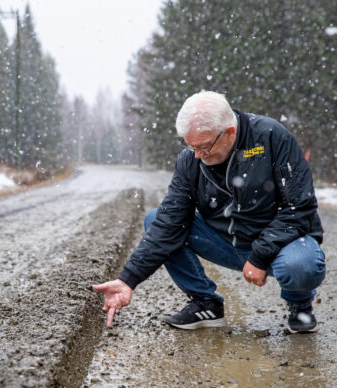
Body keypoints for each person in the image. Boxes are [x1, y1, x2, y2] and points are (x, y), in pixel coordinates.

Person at [93, 91, 325, 334]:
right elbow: (169, 221)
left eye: (203, 147)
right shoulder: (191, 159)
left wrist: (259, 255)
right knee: (155, 219)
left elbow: (299, 207)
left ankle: (300, 306)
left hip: (279, 246)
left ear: (229, 132)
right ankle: (206, 304)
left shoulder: (270, 137)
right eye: (190, 146)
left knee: (302, 265)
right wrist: (127, 279)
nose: (196, 155)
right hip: (226, 242)